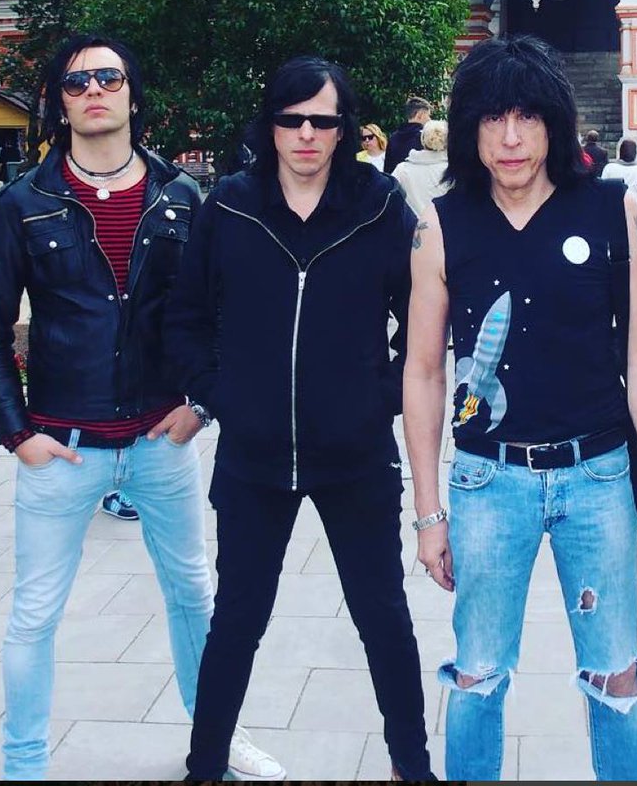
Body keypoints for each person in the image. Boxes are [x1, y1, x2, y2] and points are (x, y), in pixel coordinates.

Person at [0, 33, 282, 782]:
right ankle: (23, 767)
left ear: (133, 96)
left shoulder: (180, 196)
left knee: (193, 597)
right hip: (62, 444)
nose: (94, 91)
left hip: (157, 440)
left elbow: (220, 313)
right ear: (62, 103)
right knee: (34, 615)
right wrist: (18, 435)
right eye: (77, 83)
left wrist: (199, 407)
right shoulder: (23, 204)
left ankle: (215, 742)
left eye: (109, 77)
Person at [402, 34, 637, 782]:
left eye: (527, 116)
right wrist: (429, 511)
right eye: (492, 118)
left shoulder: (607, 208)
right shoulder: (442, 224)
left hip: (597, 479)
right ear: (468, 128)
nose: (510, 138)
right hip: (487, 484)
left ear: (555, 124)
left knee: (615, 674)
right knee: (478, 675)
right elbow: (426, 371)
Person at [165, 56, 435, 782]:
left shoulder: (378, 206)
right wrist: (219, 394)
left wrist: (377, 398)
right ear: (272, 124)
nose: (307, 134)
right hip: (253, 459)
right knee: (237, 623)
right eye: (293, 119)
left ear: (345, 128)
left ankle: (414, 767)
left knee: (384, 621)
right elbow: (186, 316)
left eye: (324, 120)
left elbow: (424, 320)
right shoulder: (230, 205)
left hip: (355, 459)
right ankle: (204, 766)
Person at [391, 118, 450, 218]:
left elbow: (391, 200)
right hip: (448, 229)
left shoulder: (402, 170)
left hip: (412, 229)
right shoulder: (455, 171)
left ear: (423, 140)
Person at [384, 96, 431, 174]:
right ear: (420, 115)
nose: (429, 119)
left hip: (397, 183)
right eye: (428, 115)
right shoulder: (425, 138)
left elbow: (388, 170)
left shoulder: (393, 138)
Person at [602, 137, 637, 210]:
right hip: (631, 209)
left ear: (620, 152)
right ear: (635, 153)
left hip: (611, 209)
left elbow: (602, 190)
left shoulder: (609, 168)